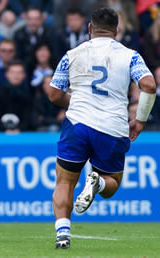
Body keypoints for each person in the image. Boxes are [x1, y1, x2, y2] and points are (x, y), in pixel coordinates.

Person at [48, 7, 156, 249]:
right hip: (113, 126)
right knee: (111, 186)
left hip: (77, 124)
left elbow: (54, 94)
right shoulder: (130, 55)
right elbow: (149, 85)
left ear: (89, 28)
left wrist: (74, 100)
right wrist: (139, 120)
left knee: (64, 181)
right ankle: (97, 184)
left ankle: (63, 235)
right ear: (117, 31)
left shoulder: (71, 54)